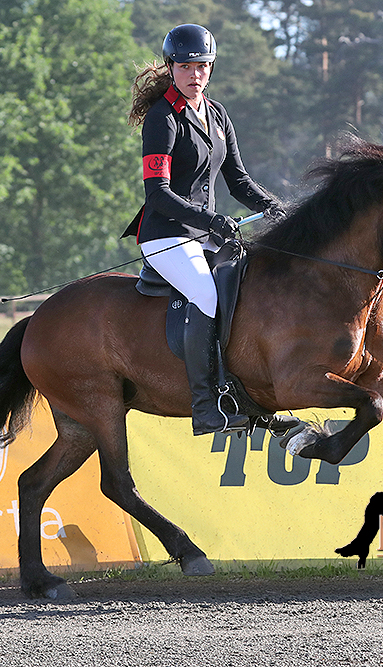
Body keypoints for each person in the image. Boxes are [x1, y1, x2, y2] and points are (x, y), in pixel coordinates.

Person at [123, 23, 282, 436]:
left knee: (248, 286)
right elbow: (157, 194)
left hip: (202, 233)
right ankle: (205, 406)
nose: (196, 74)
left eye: (204, 66)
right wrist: (212, 220)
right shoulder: (161, 119)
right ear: (171, 67)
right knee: (207, 294)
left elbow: (238, 179)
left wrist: (271, 204)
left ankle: (242, 391)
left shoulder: (217, 115)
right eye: (188, 66)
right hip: (164, 235)